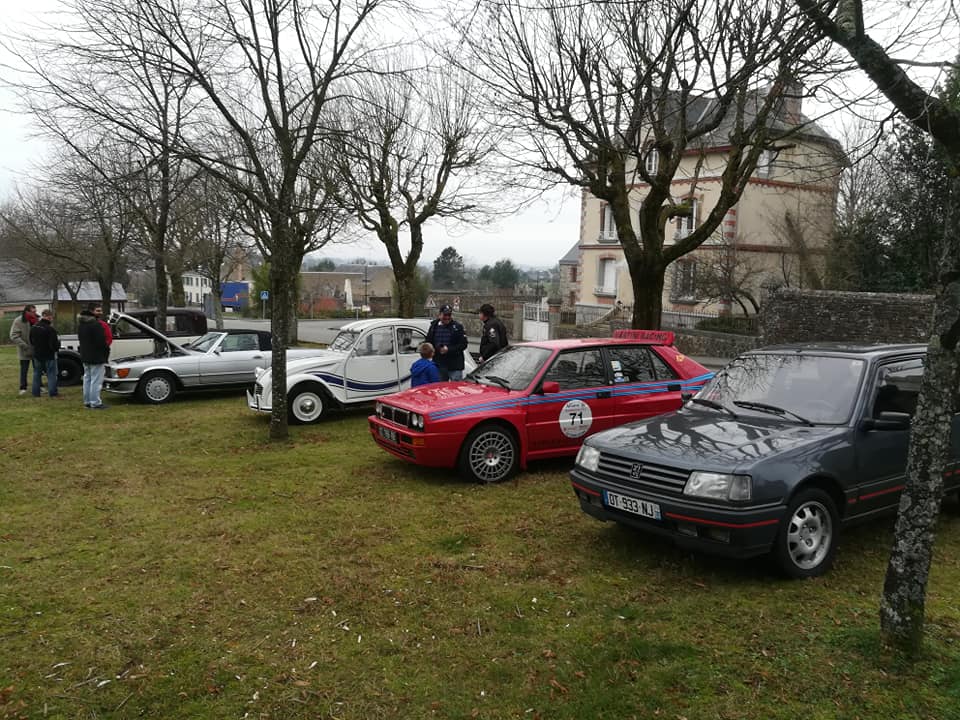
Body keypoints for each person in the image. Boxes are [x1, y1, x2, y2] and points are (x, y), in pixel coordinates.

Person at [78, 304, 110, 409]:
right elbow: (101, 342)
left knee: (87, 379)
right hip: (96, 356)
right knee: (96, 381)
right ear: (92, 312)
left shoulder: (81, 324)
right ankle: (95, 402)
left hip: (85, 355)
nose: (100, 313)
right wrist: (106, 352)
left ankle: (87, 401)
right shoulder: (96, 325)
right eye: (98, 311)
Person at [425, 304, 468, 381]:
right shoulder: (433, 326)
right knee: (440, 390)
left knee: (455, 390)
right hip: (439, 364)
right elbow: (429, 341)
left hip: (454, 365)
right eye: (445, 315)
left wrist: (448, 349)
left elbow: (463, 344)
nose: (447, 317)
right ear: (440, 315)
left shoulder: (458, 327)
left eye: (449, 315)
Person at [29, 309, 61, 398]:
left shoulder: (34, 327)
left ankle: (35, 392)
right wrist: (56, 348)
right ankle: (53, 392)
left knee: (37, 373)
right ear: (49, 316)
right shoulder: (50, 329)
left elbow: (31, 340)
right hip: (49, 354)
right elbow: (53, 344)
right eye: (51, 317)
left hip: (37, 353)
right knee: (51, 374)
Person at [9, 304, 38, 395]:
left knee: (38, 369)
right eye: (32, 312)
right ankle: (23, 387)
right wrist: (25, 346)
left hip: (37, 349)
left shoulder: (38, 320)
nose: (35, 313)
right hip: (24, 350)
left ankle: (38, 386)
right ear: (27, 311)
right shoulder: (18, 321)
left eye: (35, 311)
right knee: (24, 369)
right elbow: (13, 336)